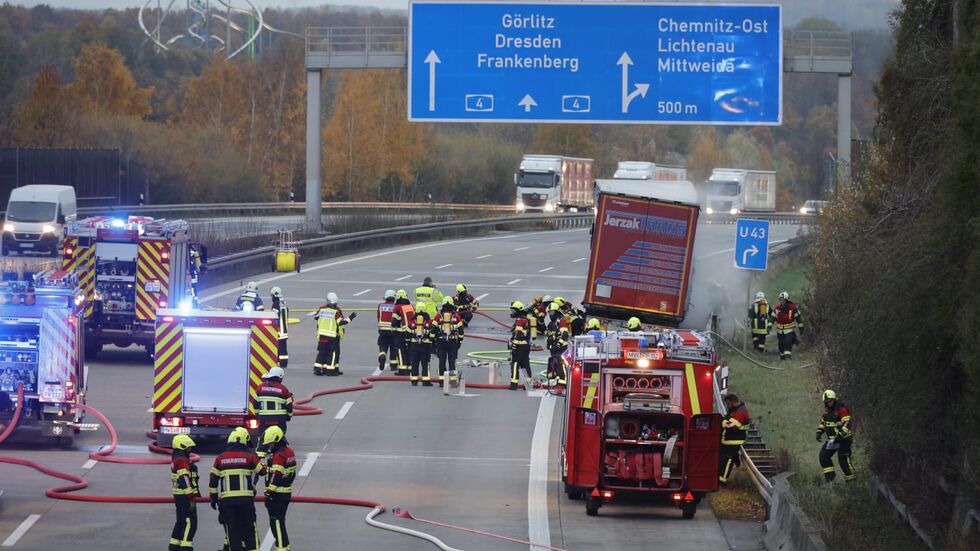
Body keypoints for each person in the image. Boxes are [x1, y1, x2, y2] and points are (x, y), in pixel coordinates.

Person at [209, 427, 264, 551]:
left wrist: (213, 498)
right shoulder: (249, 457)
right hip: (246, 502)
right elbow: (262, 472)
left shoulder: (220, 458)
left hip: (227, 503)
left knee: (233, 533)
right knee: (250, 530)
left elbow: (213, 481)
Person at [260, 426, 296, 551]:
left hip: (277, 494)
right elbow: (292, 474)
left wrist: (269, 490)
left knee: (276, 523)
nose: (269, 446)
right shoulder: (289, 452)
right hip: (286, 492)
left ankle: (281, 548)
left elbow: (277, 474)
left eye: (270, 444)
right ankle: (285, 546)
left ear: (276, 441)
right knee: (280, 522)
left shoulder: (278, 455)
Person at [169, 434, 199, 551]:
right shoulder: (182, 460)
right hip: (185, 496)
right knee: (191, 523)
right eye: (188, 448)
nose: (190, 450)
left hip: (179, 495)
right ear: (183, 447)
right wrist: (191, 496)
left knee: (180, 522)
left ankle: (174, 546)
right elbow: (184, 478)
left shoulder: (176, 458)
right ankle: (186, 548)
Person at [313, 292, 356, 376]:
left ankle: (318, 369)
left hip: (322, 335)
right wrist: (351, 317)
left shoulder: (322, 309)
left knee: (322, 352)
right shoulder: (336, 312)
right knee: (333, 354)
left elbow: (316, 317)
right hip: (332, 336)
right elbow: (342, 322)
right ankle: (330, 370)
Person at [817, 389, 855, 482]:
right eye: (826, 402)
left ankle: (852, 482)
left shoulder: (842, 410)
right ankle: (830, 480)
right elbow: (823, 422)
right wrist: (819, 432)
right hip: (833, 441)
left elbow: (847, 424)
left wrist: (840, 435)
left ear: (834, 400)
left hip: (844, 440)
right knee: (823, 456)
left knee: (843, 461)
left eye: (830, 401)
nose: (829, 403)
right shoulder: (827, 411)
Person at [254, 367, 292, 458]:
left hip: (264, 418)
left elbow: (255, 403)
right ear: (280, 377)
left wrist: (258, 414)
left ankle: (260, 455)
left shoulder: (260, 387)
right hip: (279, 418)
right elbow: (289, 406)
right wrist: (288, 416)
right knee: (279, 435)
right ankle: (278, 454)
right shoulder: (284, 389)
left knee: (262, 436)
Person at [719, 394, 751, 484]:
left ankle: (722, 480)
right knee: (723, 458)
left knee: (727, 460)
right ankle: (735, 460)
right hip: (729, 440)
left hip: (734, 441)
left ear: (733, 402)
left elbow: (732, 425)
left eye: (728, 404)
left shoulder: (740, 412)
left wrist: (723, 422)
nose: (727, 406)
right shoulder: (736, 410)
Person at [433, 296, 464, 383]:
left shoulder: (438, 316)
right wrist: (459, 342)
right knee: (452, 362)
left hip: (441, 342)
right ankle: (452, 381)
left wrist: (434, 342)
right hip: (452, 342)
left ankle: (442, 382)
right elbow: (461, 330)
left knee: (441, 361)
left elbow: (433, 330)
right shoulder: (456, 316)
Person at [771, 291, 804, 360]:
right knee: (781, 344)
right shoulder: (777, 308)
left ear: (787, 300)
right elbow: (772, 318)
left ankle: (788, 357)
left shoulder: (793, 308)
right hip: (779, 331)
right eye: (781, 300)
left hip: (789, 330)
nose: (782, 301)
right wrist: (769, 327)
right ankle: (782, 356)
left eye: (783, 300)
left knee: (787, 343)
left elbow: (799, 319)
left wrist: (801, 328)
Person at [508, 300, 533, 390]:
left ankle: (513, 384)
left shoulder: (519, 321)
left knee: (515, 364)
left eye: (514, 311)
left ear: (518, 311)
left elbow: (518, 335)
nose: (512, 312)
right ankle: (528, 384)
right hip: (526, 346)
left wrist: (513, 345)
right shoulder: (526, 319)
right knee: (525, 364)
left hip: (519, 347)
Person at [408, 309, 436, 386]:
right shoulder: (429, 322)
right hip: (425, 346)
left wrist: (408, 343)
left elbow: (407, 335)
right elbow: (432, 333)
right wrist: (432, 343)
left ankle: (414, 381)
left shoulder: (412, 322)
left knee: (414, 363)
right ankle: (426, 381)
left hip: (414, 346)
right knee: (425, 364)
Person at [545, 301, 570, 387]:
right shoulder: (551, 324)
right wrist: (549, 343)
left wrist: (558, 344)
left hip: (561, 349)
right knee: (554, 365)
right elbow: (550, 335)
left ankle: (563, 384)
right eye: (549, 312)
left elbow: (565, 335)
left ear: (556, 312)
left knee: (561, 366)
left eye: (552, 312)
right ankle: (558, 382)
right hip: (554, 349)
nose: (550, 314)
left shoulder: (561, 321)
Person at [390, 290, 414, 376]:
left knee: (400, 351)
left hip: (401, 333)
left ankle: (402, 369)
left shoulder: (397, 307)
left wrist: (393, 330)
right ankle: (410, 369)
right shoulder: (411, 306)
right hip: (411, 332)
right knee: (410, 351)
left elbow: (394, 320)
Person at [376, 290, 399, 372]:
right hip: (393, 331)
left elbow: (379, 317)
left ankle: (382, 356)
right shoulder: (396, 307)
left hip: (382, 330)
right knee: (393, 348)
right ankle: (393, 365)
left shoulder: (380, 306)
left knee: (382, 346)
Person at [270, 287, 289, 367]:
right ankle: (284, 363)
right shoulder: (282, 302)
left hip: (278, 329)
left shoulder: (276, 303)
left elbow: (274, 316)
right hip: (284, 329)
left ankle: (279, 362)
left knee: (279, 347)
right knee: (283, 348)